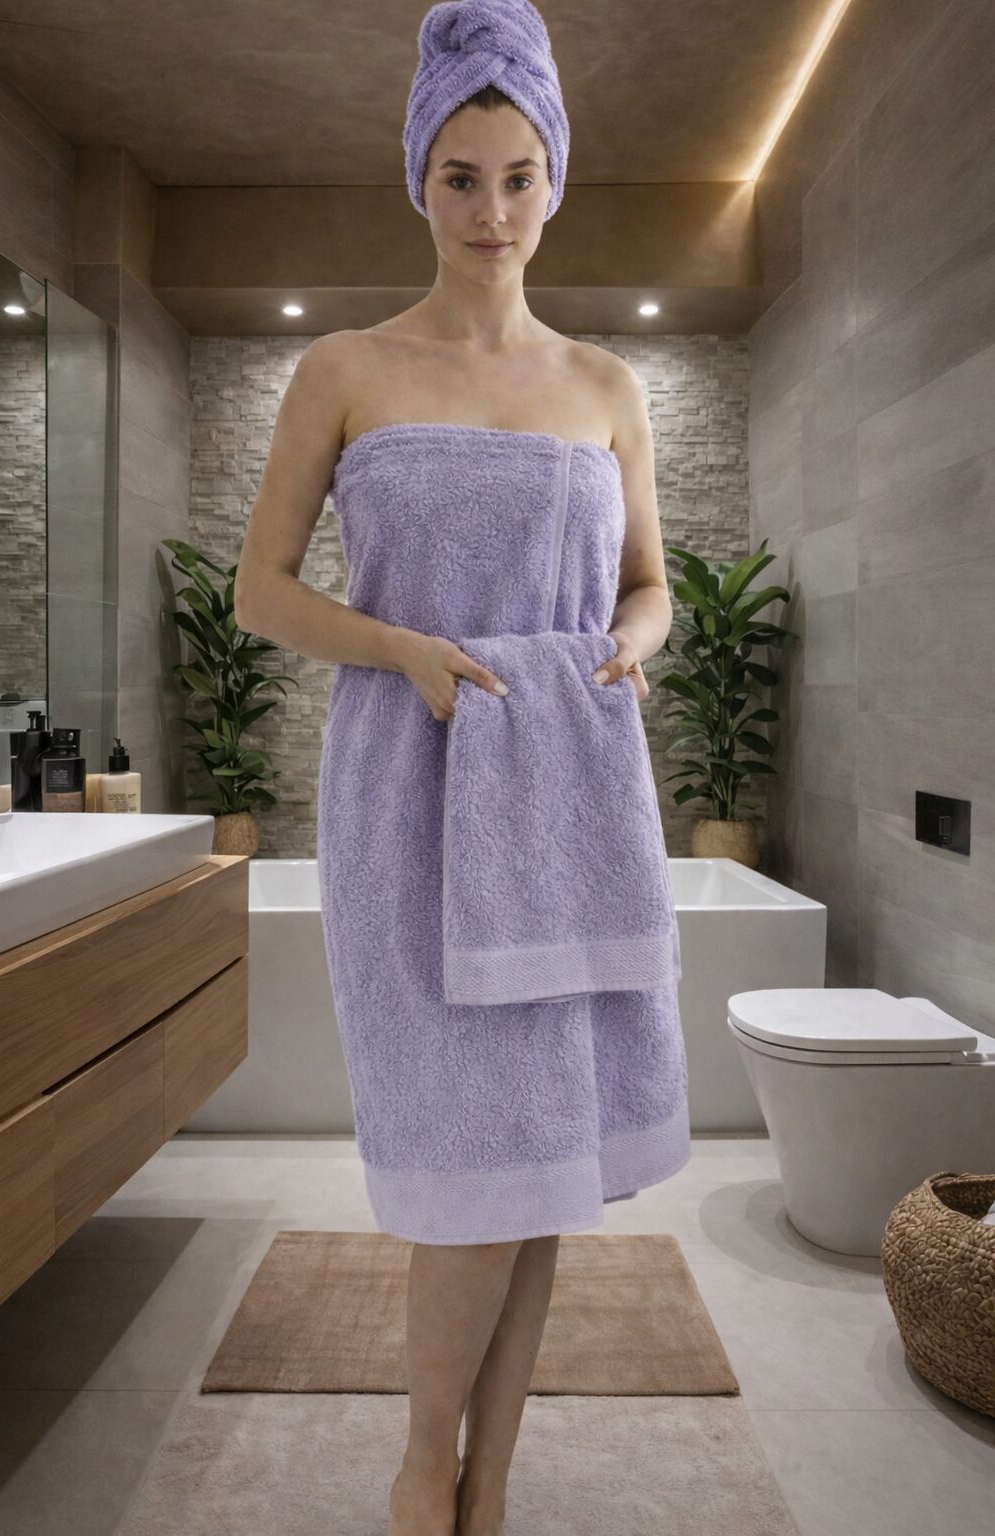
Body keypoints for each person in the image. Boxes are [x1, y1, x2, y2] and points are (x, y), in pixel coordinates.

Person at [234, 4, 689, 1532]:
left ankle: (488, 1481)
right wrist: (404, 651)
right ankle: (422, 1464)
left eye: (517, 176)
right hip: (407, 800)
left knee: (546, 1155)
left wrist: (626, 648)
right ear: (418, 181)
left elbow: (649, 587)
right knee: (472, 1151)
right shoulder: (345, 369)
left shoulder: (607, 388)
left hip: (560, 801)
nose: (492, 211)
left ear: (554, 178)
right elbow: (262, 590)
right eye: (459, 177)